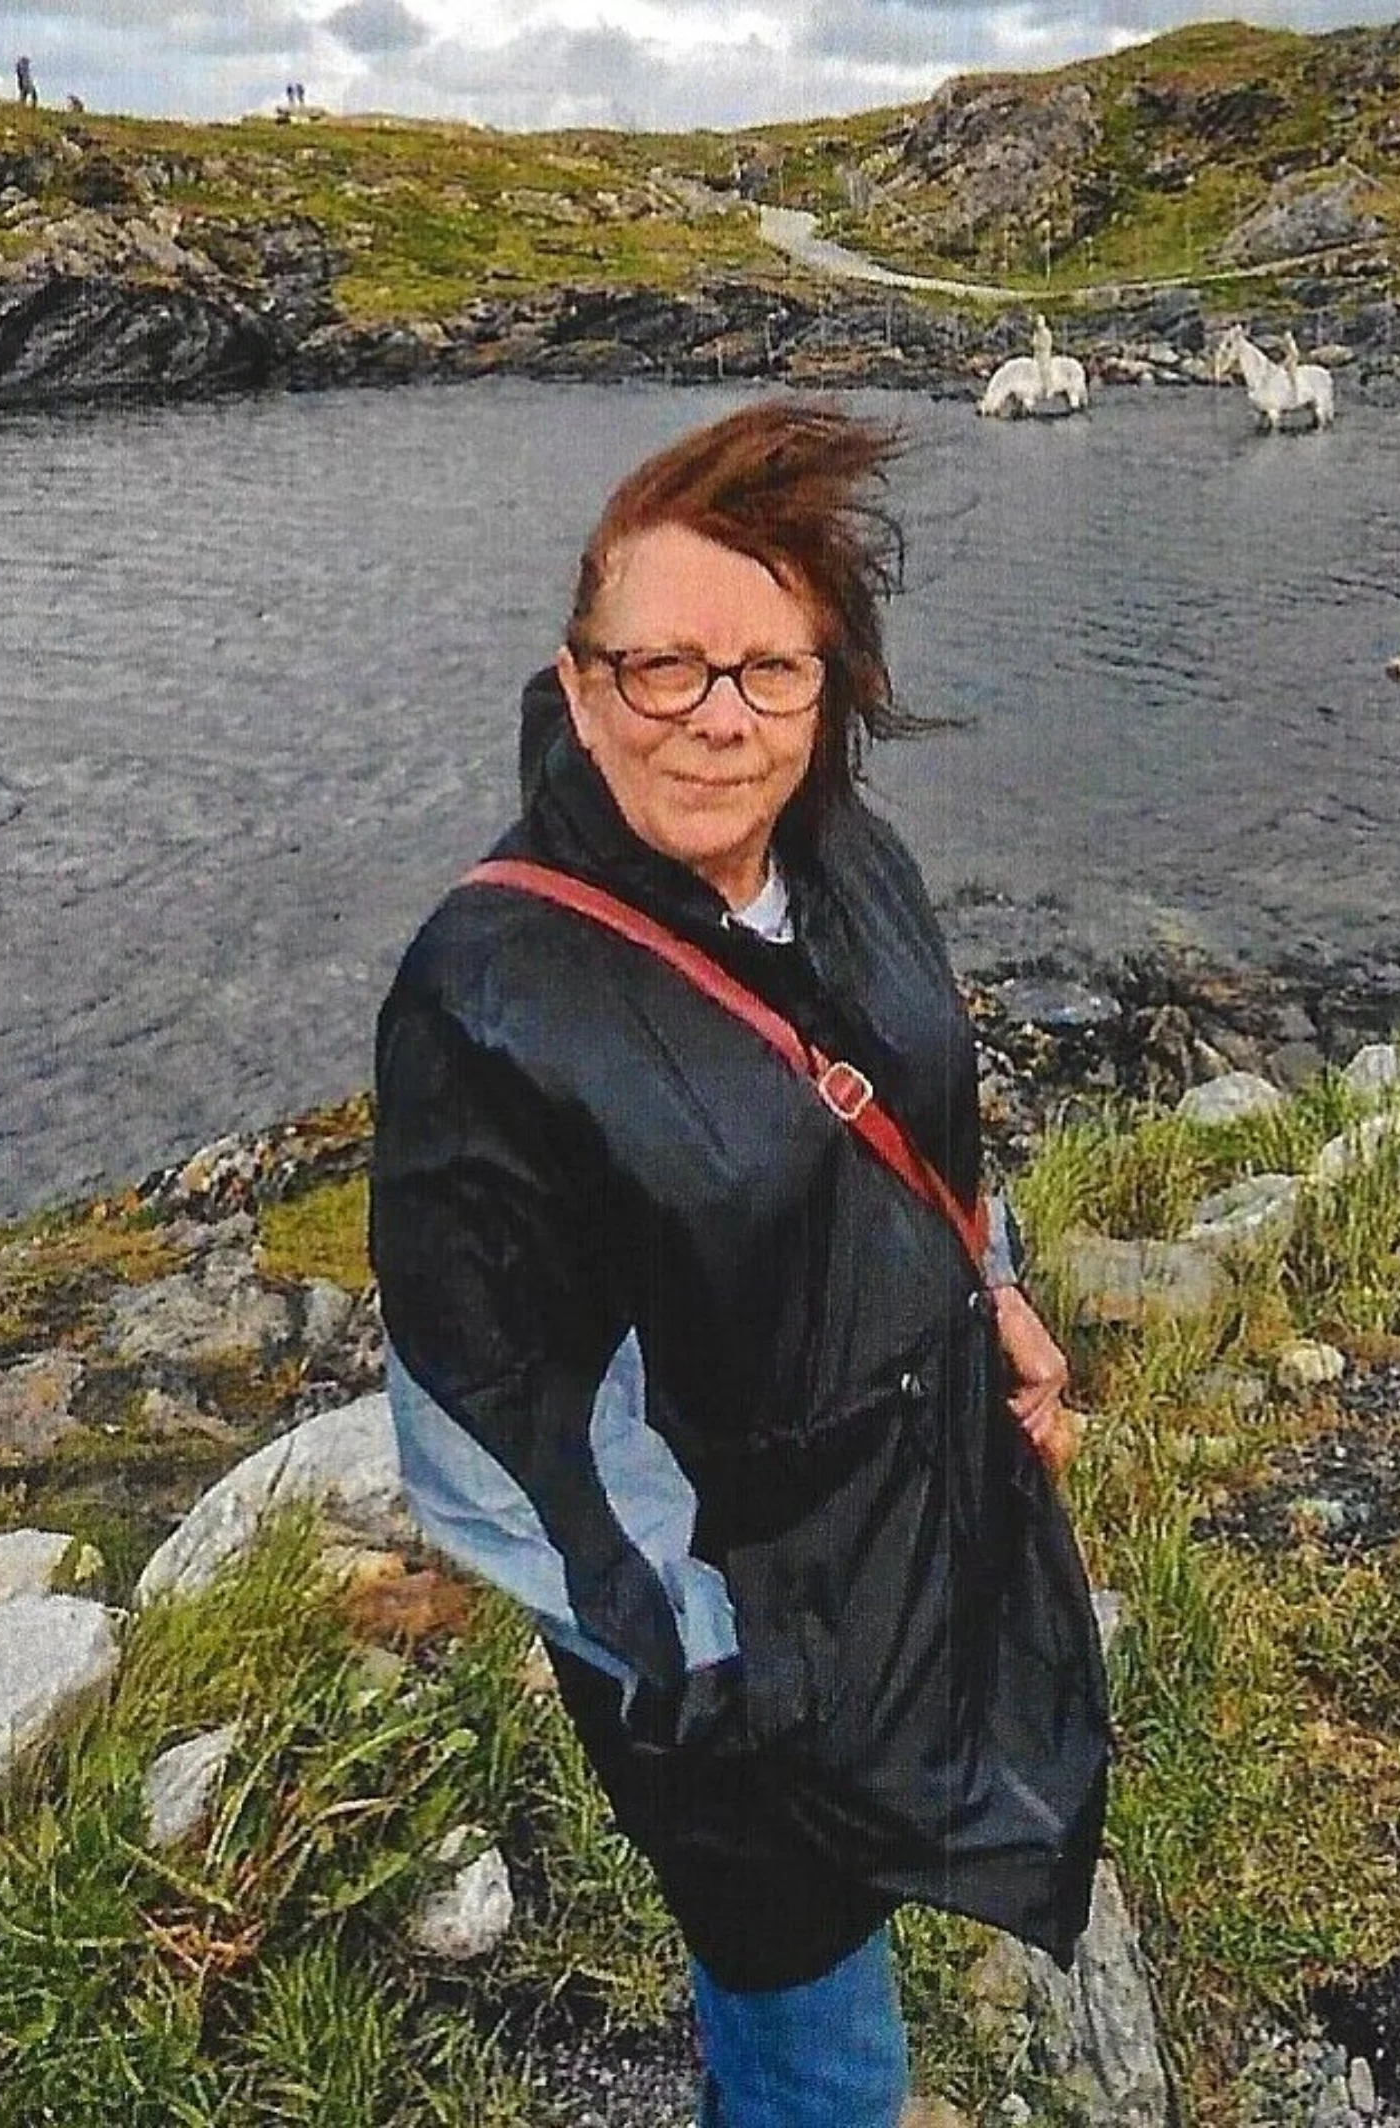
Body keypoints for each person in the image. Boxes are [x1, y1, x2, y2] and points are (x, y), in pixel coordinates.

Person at [374, 401, 1111, 2128]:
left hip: (914, 1508)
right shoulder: (485, 996)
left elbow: (913, 1109)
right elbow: (485, 1432)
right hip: (724, 1632)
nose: (720, 717)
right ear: (578, 679)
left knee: (942, 1822)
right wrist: (723, 1668)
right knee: (823, 2046)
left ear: (826, 682)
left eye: (769, 672)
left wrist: (984, 1285)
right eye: (664, 668)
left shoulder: (851, 861)